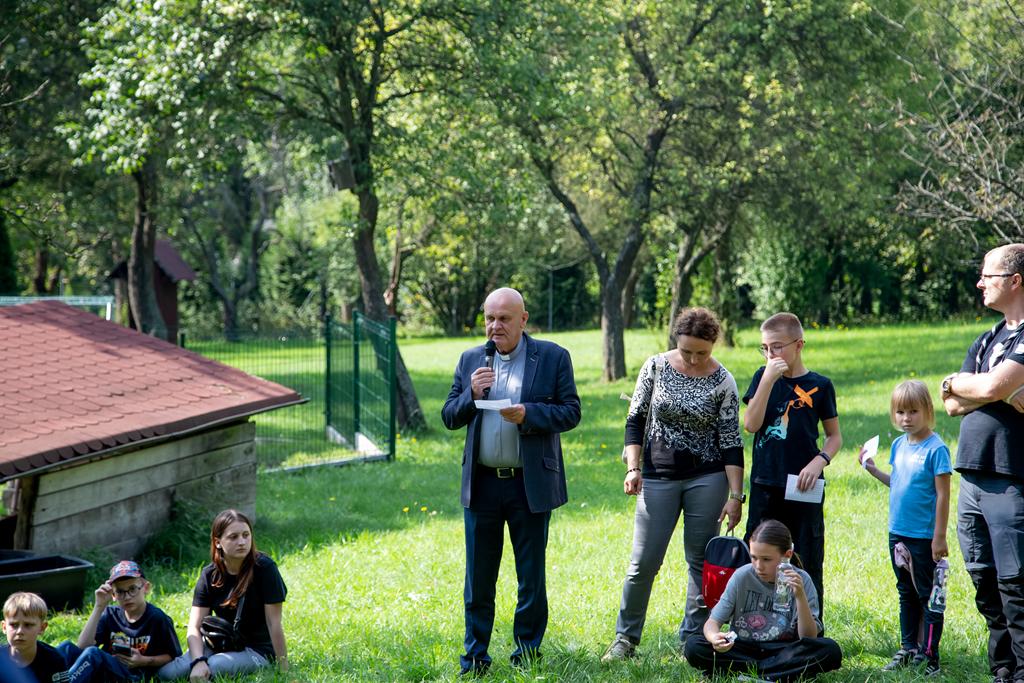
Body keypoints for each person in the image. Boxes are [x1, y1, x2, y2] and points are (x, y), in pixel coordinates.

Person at [441, 287, 581, 676]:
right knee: (478, 578)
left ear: (523, 319)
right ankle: (475, 658)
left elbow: (571, 412)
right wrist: (471, 394)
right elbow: (449, 416)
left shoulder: (552, 357)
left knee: (530, 576)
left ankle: (527, 654)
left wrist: (529, 414)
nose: (495, 326)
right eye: (490, 318)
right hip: (483, 484)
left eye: (504, 319)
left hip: (528, 484)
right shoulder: (471, 359)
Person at [601, 307, 744, 662]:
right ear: (675, 341)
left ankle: (693, 639)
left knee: (701, 563)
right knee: (643, 563)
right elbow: (635, 420)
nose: (694, 359)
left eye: (702, 353)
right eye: (687, 351)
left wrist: (735, 496)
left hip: (707, 478)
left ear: (714, 345)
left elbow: (731, 440)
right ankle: (625, 639)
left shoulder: (724, 381)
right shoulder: (655, 367)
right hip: (657, 476)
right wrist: (633, 468)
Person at [942, 243, 1024, 683]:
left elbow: (988, 386)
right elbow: (952, 403)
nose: (979, 283)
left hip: (1011, 474)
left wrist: (980, 386)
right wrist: (983, 388)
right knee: (983, 577)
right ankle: (1003, 668)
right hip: (972, 473)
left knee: (1016, 580)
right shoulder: (989, 337)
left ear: (1015, 280)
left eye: (987, 276)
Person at [742, 312, 842, 611]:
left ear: (799, 345)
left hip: (803, 486)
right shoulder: (762, 378)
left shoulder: (820, 385)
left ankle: (809, 623)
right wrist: (768, 379)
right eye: (764, 348)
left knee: (806, 554)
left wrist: (819, 461)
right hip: (766, 483)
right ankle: (757, 621)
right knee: (761, 554)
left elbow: (834, 437)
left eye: (777, 347)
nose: (770, 354)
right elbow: (751, 424)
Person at [861, 380, 951, 676]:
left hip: (923, 536)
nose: (906, 418)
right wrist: (873, 470)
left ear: (928, 411)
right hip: (897, 532)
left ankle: (930, 655)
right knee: (905, 593)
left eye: (913, 411)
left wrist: (939, 537)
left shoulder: (936, 449)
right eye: (900, 412)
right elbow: (898, 482)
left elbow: (943, 495)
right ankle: (908, 647)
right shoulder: (899, 445)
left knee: (927, 595)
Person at [682, 519, 842, 682]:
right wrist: (714, 637)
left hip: (784, 651)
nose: (758, 566)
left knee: (830, 650)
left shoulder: (802, 580)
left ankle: (747, 674)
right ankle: (774, 674)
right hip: (744, 648)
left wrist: (800, 596)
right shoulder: (742, 576)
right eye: (754, 557)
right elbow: (712, 622)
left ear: (787, 555)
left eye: (766, 559)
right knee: (694, 646)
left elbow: (809, 638)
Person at [157, 509, 288, 680]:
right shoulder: (209, 574)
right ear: (218, 542)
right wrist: (198, 661)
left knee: (215, 666)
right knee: (167, 674)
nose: (242, 542)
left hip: (257, 650)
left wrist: (284, 669)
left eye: (246, 535)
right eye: (233, 537)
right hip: (221, 642)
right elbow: (194, 627)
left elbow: (274, 623)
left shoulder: (265, 569)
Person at [58, 560, 181, 682]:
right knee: (67, 647)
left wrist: (143, 660)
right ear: (113, 594)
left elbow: (173, 656)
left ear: (146, 588)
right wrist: (99, 607)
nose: (127, 597)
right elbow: (82, 646)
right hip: (107, 671)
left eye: (132, 589)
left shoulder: (157, 618)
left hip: (134, 676)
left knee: (93, 653)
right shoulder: (110, 614)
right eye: (120, 592)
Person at [0, 592, 68, 683]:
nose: (20, 631)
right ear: (4, 627)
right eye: (14, 625)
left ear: (42, 628)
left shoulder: (55, 661)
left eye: (28, 625)